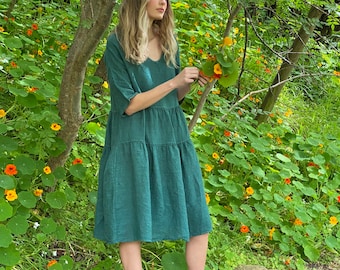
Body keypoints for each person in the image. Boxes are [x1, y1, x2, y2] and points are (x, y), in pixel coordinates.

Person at [94, 0, 212, 269]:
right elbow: (129, 104)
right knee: (129, 220)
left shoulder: (169, 40)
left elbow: (175, 97)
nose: (164, 3)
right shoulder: (117, 44)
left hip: (171, 135)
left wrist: (189, 83)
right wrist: (174, 80)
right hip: (132, 138)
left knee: (197, 216)